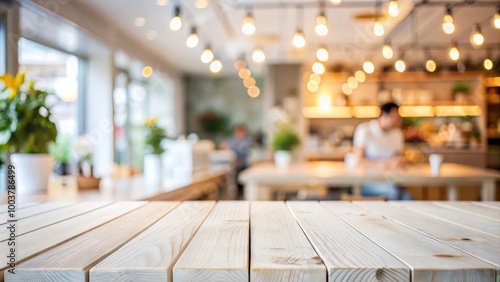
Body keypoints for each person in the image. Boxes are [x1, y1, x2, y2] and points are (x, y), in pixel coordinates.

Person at [352, 102, 411, 200]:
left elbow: (398, 157)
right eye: (394, 117)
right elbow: (359, 160)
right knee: (394, 194)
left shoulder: (397, 133)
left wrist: (401, 160)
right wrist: (387, 163)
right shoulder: (365, 130)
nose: (398, 121)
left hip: (392, 180)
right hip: (369, 182)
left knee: (408, 198)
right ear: (383, 115)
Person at [226, 124, 251, 198]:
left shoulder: (246, 141)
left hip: (243, 165)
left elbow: (244, 151)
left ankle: (243, 195)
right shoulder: (231, 140)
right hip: (234, 165)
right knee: (236, 182)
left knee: (243, 182)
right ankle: (238, 196)